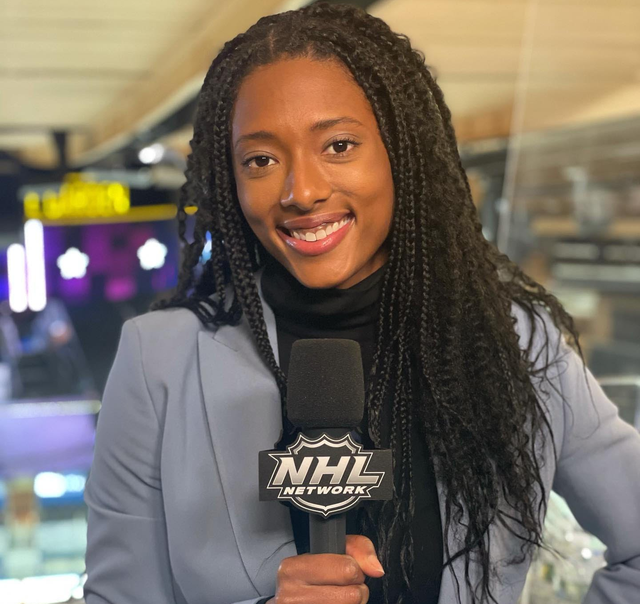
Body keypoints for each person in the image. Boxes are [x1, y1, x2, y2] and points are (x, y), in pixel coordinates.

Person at [83, 4, 640, 604]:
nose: (303, 191)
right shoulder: (158, 361)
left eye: (339, 145)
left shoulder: (517, 343)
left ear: (401, 152)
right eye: (261, 160)